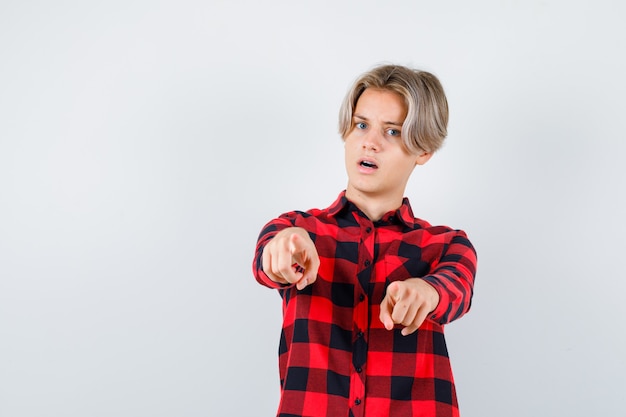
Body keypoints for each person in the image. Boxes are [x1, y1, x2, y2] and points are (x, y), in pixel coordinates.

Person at [252, 64, 477, 417]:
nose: (370, 142)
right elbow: (267, 261)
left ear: (424, 150)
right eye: (361, 125)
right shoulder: (296, 229)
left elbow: (455, 290)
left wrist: (425, 292)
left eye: (392, 131)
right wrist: (282, 247)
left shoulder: (447, 245)